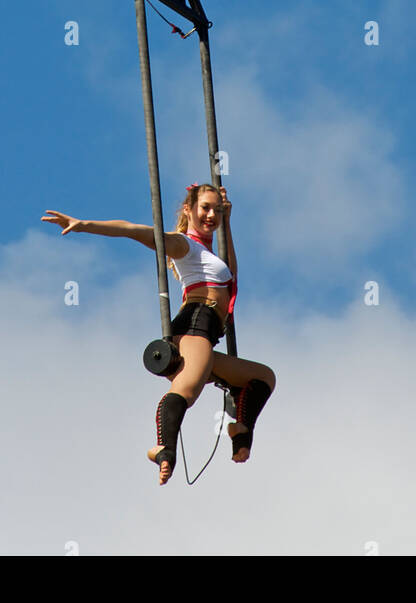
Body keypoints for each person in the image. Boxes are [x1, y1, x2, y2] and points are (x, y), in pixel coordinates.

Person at [42, 183, 275, 485]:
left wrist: (227, 223)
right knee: (187, 390)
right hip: (195, 327)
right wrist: (84, 225)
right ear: (189, 209)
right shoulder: (184, 245)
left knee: (262, 378)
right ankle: (164, 448)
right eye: (205, 208)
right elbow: (134, 230)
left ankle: (240, 430)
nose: (211, 215)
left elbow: (231, 273)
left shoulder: (207, 253)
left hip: (208, 334)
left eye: (217, 210)